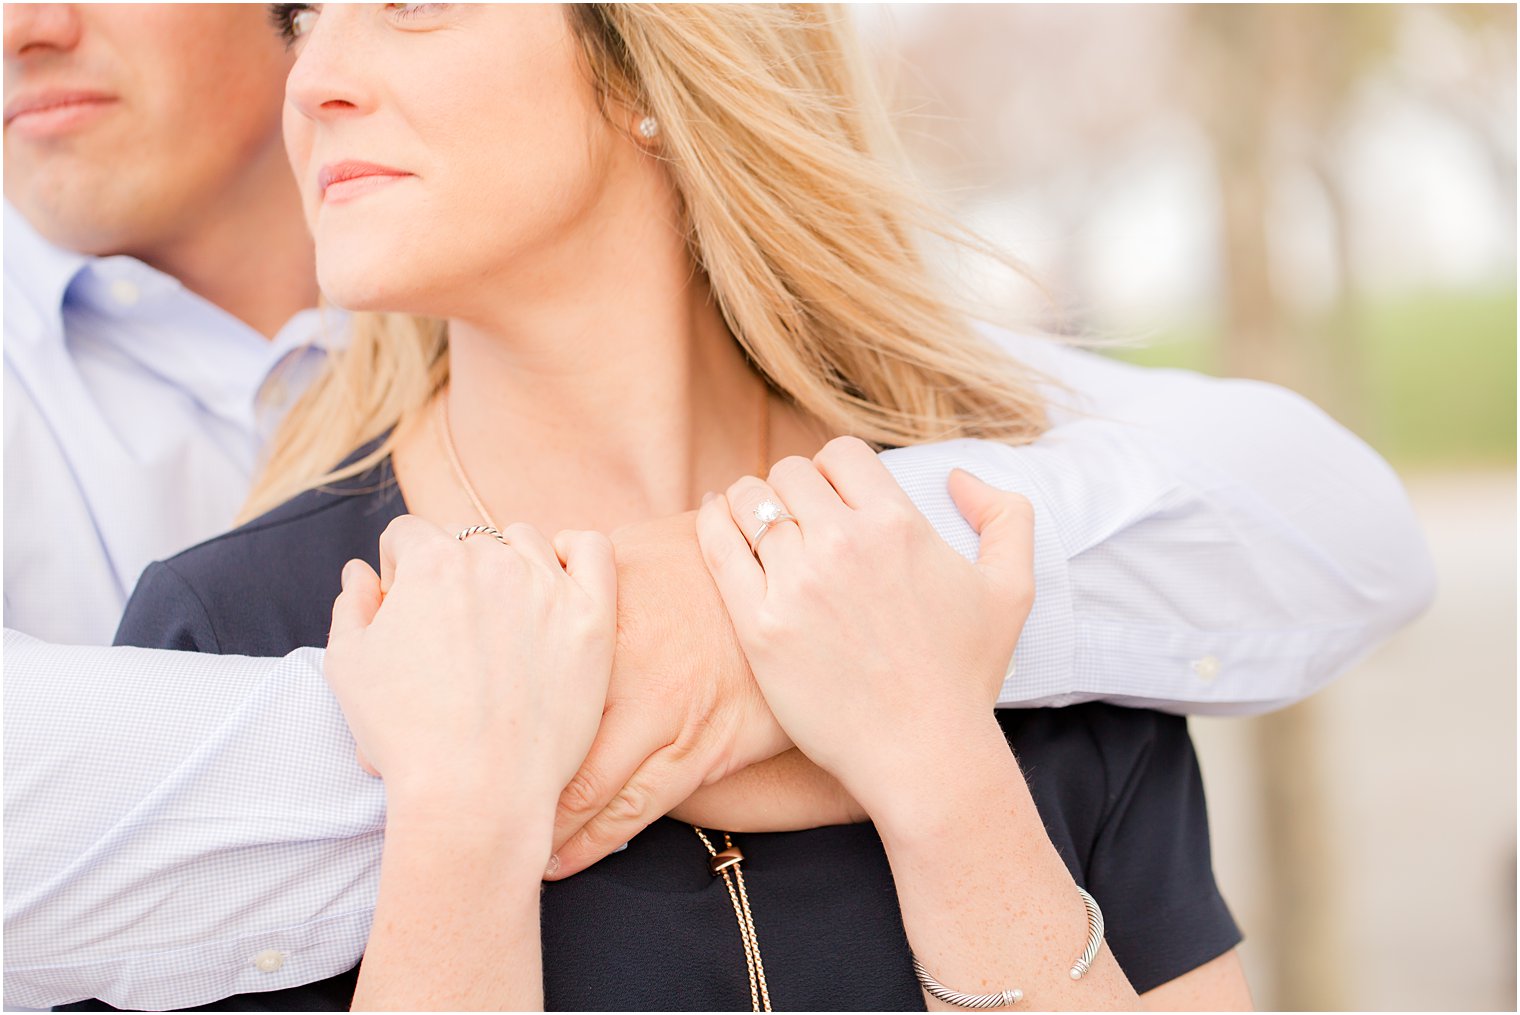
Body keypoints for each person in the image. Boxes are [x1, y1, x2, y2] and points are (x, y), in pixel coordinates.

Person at [1, 3, 1434, 1010]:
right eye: (307, 13)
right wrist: (459, 837)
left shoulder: (987, 557)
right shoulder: (237, 622)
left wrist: (939, 773)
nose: (310, 80)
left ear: (645, 65)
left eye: (415, 4)